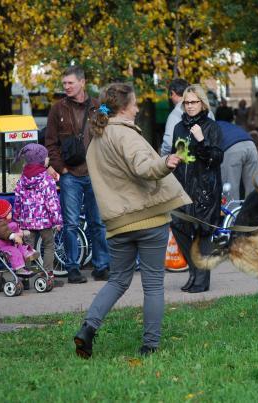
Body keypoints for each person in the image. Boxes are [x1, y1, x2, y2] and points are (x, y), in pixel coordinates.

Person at [74, 83, 191, 358]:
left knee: (117, 280)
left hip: (117, 224)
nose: (138, 108)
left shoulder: (96, 138)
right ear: (124, 107)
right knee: (152, 284)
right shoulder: (126, 135)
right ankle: (150, 346)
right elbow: (143, 167)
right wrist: (167, 162)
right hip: (148, 219)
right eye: (135, 103)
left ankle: (88, 329)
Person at [45, 66, 110, 283]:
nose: (66, 87)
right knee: (70, 223)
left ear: (82, 82)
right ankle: (72, 268)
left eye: (70, 83)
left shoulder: (98, 108)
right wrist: (61, 168)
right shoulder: (58, 109)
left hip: (95, 174)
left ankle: (102, 266)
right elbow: (50, 142)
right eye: (64, 84)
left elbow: (107, 138)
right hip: (70, 174)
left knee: (98, 222)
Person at [171, 84, 224, 293]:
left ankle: (202, 280)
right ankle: (194, 273)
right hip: (183, 189)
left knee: (202, 233)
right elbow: (181, 156)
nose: (190, 106)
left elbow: (216, 158)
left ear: (202, 103)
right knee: (179, 226)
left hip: (205, 189)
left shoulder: (211, 127)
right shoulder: (179, 127)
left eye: (194, 102)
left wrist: (201, 140)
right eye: (187, 102)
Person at [13, 143, 63, 284]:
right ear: (40, 160)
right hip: (45, 221)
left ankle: (24, 278)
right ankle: (47, 275)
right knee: (48, 245)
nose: (48, 159)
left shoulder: (22, 179)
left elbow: (18, 201)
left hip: (26, 222)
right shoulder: (47, 180)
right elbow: (52, 202)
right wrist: (57, 221)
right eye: (46, 157)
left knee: (28, 248)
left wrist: (17, 220)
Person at [0, 199, 39, 275]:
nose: (11, 213)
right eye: (9, 212)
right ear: (2, 215)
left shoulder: (1, 220)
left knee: (19, 244)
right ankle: (19, 269)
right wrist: (14, 236)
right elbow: (4, 231)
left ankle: (26, 253)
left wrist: (19, 232)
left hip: (7, 242)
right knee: (14, 251)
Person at [215, 119, 258, 200]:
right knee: (254, 188)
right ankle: (256, 211)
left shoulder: (204, 128)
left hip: (231, 149)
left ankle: (231, 212)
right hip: (250, 145)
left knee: (230, 192)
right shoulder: (226, 124)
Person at [160, 78, 189, 157]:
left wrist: (163, 159)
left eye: (170, 94)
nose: (170, 98)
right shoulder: (206, 110)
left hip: (183, 161)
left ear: (173, 93)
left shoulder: (174, 115)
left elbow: (168, 144)